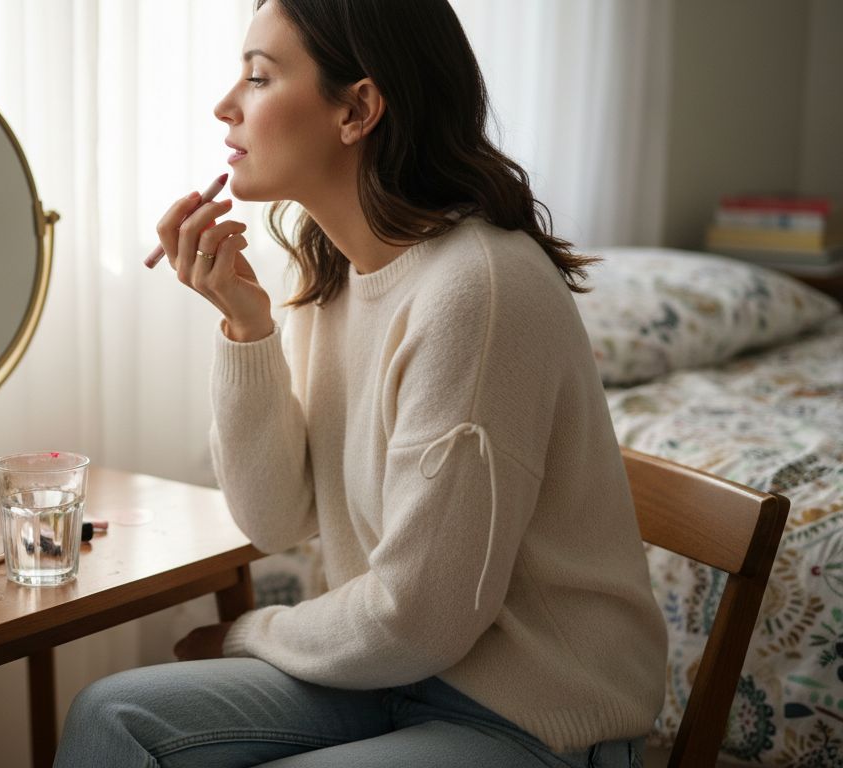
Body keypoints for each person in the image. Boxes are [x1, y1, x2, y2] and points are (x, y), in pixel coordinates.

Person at [54, 1, 665, 766]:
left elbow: (420, 616)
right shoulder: (336, 272)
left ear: (359, 109)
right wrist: (247, 327)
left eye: (257, 76)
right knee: (112, 714)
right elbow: (275, 518)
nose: (225, 104)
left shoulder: (476, 291)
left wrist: (248, 636)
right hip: (392, 677)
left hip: (527, 710)